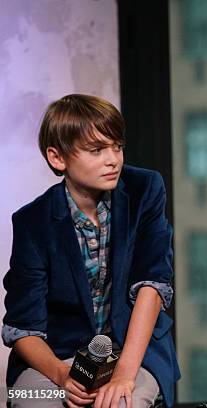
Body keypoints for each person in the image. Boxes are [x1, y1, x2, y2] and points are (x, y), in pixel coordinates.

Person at [3, 94, 180, 407]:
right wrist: (63, 376)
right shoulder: (33, 221)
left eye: (117, 146)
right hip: (58, 358)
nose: (113, 159)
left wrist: (125, 372)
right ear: (58, 158)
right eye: (97, 150)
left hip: (130, 350)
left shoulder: (145, 189)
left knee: (123, 403)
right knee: (31, 402)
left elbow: (153, 286)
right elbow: (22, 328)